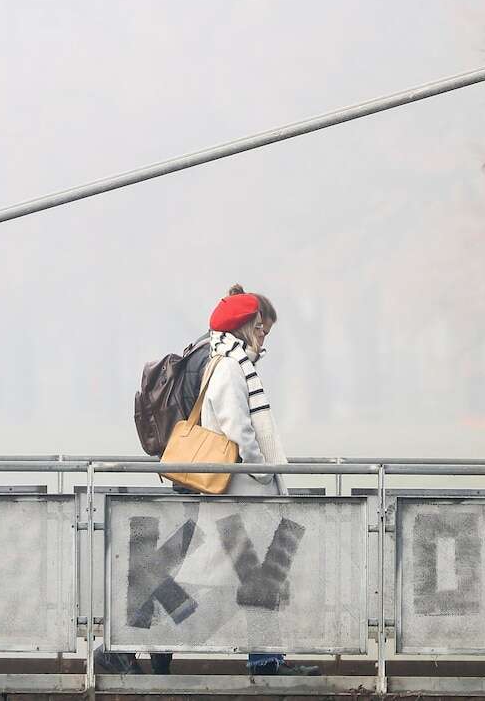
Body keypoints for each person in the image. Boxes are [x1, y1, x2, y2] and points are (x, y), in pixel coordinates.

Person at [181, 284, 320, 678]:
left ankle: (265, 659)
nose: (263, 341)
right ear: (246, 326)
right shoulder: (229, 366)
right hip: (240, 496)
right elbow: (239, 430)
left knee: (248, 580)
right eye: (261, 331)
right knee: (222, 581)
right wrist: (261, 470)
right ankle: (140, 645)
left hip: (241, 496)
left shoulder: (233, 363)